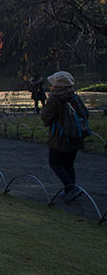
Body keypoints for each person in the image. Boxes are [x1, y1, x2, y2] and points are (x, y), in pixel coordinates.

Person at [41, 70, 89, 203]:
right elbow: (85, 113)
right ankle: (69, 191)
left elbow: (46, 118)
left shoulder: (56, 99)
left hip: (60, 137)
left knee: (55, 163)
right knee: (68, 164)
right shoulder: (74, 97)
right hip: (75, 136)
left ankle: (71, 187)